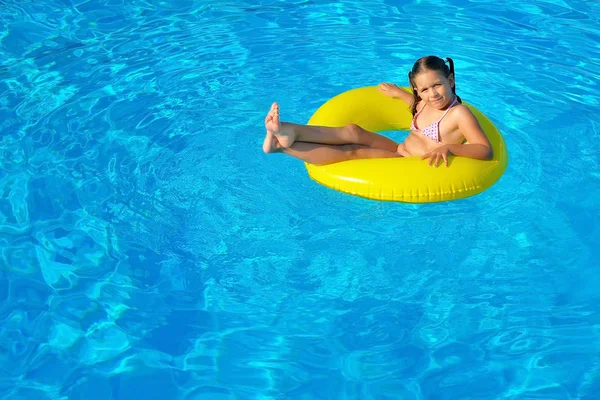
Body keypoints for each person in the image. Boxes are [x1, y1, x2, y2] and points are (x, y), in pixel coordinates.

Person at [262, 56, 493, 168]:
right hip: (399, 149)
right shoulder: (424, 102)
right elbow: (415, 104)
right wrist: (397, 93)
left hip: (409, 164)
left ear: (450, 80)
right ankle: (287, 130)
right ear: (417, 91)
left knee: (353, 152)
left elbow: (485, 150)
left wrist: (449, 147)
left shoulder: (459, 114)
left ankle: (285, 148)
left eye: (437, 85)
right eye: (424, 89)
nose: (432, 94)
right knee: (353, 131)